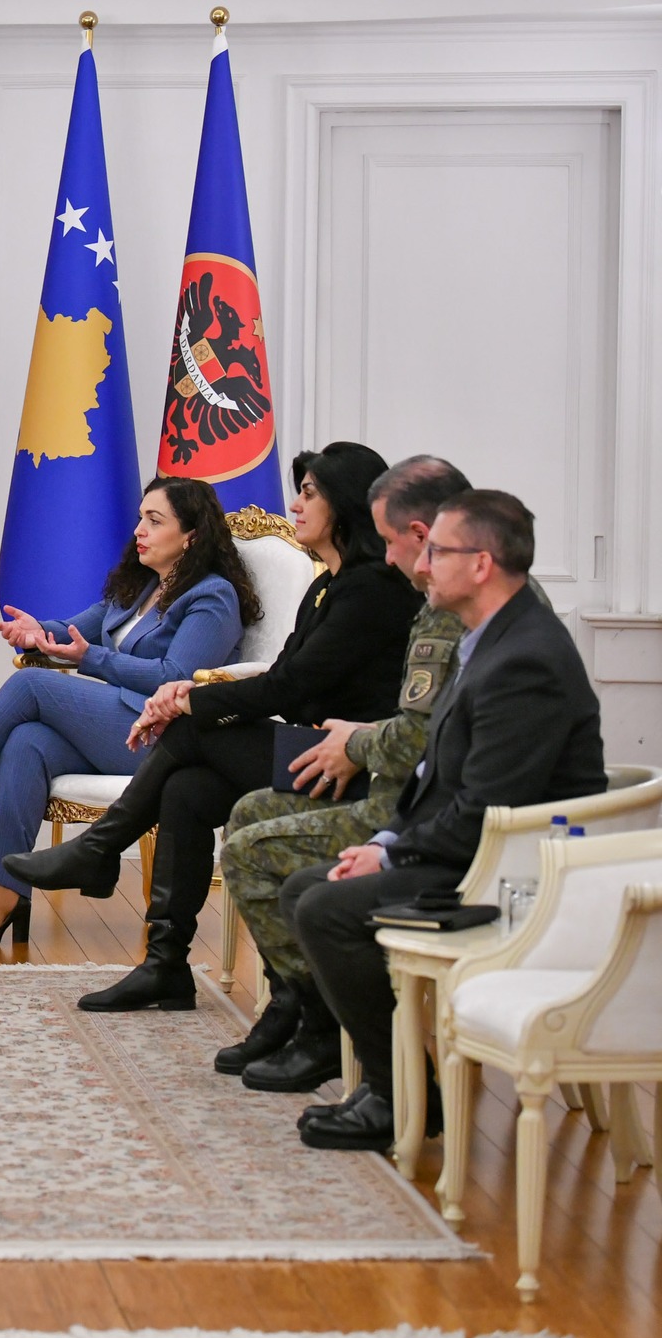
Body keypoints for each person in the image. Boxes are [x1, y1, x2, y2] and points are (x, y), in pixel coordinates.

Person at [5, 442, 425, 1013]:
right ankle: (164, 966)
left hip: (354, 763)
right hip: (311, 746)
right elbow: (283, 677)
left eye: (308, 494)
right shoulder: (327, 586)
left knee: (194, 729)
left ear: (346, 503)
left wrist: (190, 701)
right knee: (187, 789)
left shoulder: (371, 588)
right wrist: (190, 696)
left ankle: (101, 848)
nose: (295, 506)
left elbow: (286, 689)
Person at [289, 490, 606, 1151]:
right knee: (304, 890)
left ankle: (400, 1095)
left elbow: (488, 811)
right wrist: (387, 840)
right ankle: (395, 1079)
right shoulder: (488, 637)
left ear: (481, 564)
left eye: (437, 550)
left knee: (325, 909)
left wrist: (390, 855)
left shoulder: (524, 660)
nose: (421, 563)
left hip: (512, 875)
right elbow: (437, 778)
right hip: (474, 851)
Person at [0, 477, 255, 946]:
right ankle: (4, 895)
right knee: (27, 741)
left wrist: (92, 659)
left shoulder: (211, 596)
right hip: (119, 728)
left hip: (166, 738)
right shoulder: (141, 586)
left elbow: (176, 676)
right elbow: (73, 631)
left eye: (154, 520)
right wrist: (37, 632)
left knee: (31, 685)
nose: (139, 530)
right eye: (140, 518)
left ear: (191, 535)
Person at [213, 456, 476, 1093]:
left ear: (420, 535)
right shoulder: (433, 604)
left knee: (250, 847)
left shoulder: (442, 613)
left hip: (417, 811)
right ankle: (299, 1009)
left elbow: (415, 738)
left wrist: (355, 744)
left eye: (388, 541)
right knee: (243, 809)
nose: (385, 557)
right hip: (409, 795)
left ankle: (320, 1024)